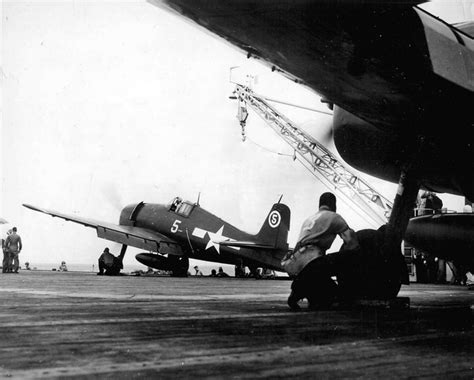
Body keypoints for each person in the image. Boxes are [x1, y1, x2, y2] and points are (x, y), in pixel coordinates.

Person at [281, 192, 359, 310]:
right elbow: (352, 243)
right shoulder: (334, 216)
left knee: (323, 300)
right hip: (313, 262)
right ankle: (302, 288)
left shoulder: (308, 219)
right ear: (333, 205)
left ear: (320, 205)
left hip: (296, 263)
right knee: (352, 256)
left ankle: (299, 291)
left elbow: (298, 245)